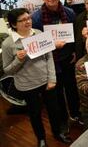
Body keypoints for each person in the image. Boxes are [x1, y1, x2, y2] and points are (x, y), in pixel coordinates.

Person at [2, 8, 71, 147]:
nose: (27, 22)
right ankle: (41, 139)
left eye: (28, 18)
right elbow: (7, 70)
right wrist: (18, 60)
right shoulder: (8, 44)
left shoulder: (38, 33)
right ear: (14, 24)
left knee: (54, 110)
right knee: (35, 114)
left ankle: (57, 133)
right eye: (22, 20)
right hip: (27, 85)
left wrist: (52, 78)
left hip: (46, 81)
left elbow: (49, 57)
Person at [32, 0, 81, 129]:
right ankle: (63, 121)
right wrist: (53, 45)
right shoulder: (36, 18)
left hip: (68, 58)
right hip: (50, 62)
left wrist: (74, 52)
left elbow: (75, 35)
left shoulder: (69, 13)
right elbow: (36, 44)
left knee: (72, 89)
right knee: (57, 93)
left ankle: (75, 114)